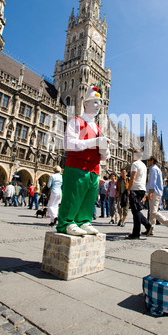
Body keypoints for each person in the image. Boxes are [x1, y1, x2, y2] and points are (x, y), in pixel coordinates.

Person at [57, 86, 110, 236]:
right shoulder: (76, 121)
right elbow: (68, 144)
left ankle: (84, 221)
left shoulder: (99, 128)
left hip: (94, 170)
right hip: (76, 167)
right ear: (85, 104)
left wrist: (105, 150)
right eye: (94, 103)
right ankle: (66, 223)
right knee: (73, 196)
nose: (97, 107)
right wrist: (94, 142)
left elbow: (105, 156)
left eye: (99, 104)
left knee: (89, 198)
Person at [145, 156, 168, 236]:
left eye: (149, 160)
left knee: (153, 212)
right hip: (156, 192)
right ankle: (150, 229)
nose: (147, 162)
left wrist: (150, 192)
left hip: (154, 192)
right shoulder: (156, 168)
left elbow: (152, 182)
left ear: (152, 161)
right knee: (151, 212)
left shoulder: (153, 169)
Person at [125, 150, 151, 240]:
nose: (131, 156)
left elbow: (133, 177)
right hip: (142, 189)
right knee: (136, 210)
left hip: (135, 189)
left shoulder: (135, 164)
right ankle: (148, 226)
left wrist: (129, 189)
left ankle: (136, 234)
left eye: (132, 154)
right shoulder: (144, 165)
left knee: (135, 212)